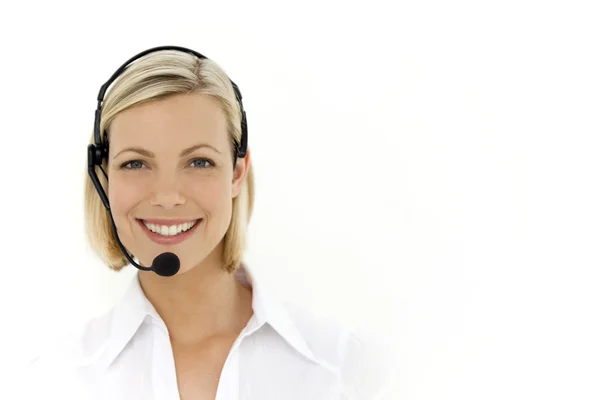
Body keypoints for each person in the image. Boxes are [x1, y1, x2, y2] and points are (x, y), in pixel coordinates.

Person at [25, 46, 396, 399]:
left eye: (199, 162)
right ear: (103, 177)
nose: (167, 195)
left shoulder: (346, 372)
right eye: (135, 163)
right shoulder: (55, 380)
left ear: (237, 173)